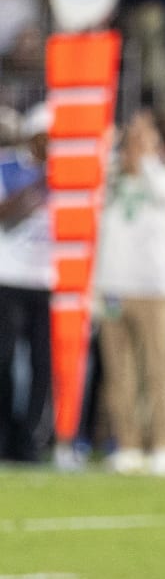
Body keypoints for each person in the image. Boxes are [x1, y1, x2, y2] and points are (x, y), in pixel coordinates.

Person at [93, 112, 165, 477]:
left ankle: (164, 445)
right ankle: (128, 445)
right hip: (114, 287)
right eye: (131, 137)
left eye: (142, 137)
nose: (134, 143)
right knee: (120, 375)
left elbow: (164, 197)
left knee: (159, 372)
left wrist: (144, 158)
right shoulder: (110, 181)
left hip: (155, 290)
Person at [0, 105, 51, 463]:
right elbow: (5, 218)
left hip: (48, 279)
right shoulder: (8, 165)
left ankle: (30, 441)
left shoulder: (66, 174)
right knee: (3, 361)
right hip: (10, 276)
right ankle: (4, 434)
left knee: (43, 365)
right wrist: (37, 184)